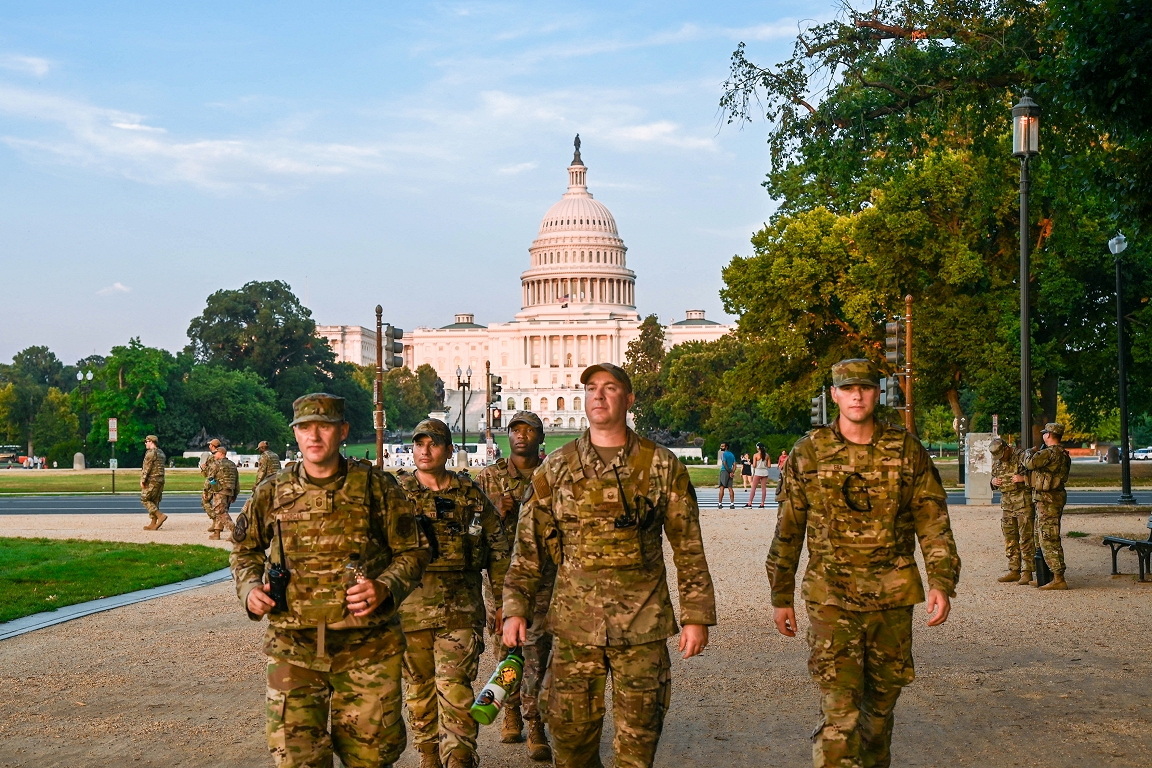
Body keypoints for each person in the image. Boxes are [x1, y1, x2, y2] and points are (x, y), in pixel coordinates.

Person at [503, 362, 717, 768]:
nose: (598, 395)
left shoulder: (661, 465)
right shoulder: (558, 467)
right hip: (574, 626)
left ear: (629, 398)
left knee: (639, 741)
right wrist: (515, 607)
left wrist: (696, 617)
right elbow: (527, 546)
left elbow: (688, 546)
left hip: (642, 624)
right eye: (592, 389)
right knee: (569, 741)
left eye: (610, 388)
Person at [765, 358, 961, 768]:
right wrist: (780, 593)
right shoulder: (809, 452)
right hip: (831, 598)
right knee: (840, 712)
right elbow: (788, 529)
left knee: (878, 715)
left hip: (891, 598)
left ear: (878, 393)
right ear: (833, 394)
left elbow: (932, 520)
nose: (857, 395)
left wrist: (941, 581)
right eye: (848, 388)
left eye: (866, 388)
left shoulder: (905, 450)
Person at [230, 393, 431, 768]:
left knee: (370, 758)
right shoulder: (272, 491)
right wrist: (249, 590)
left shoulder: (376, 488)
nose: (314, 436)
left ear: (342, 431)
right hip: (294, 647)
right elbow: (244, 551)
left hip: (367, 648)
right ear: (296, 433)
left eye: (324, 426)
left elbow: (415, 550)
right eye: (305, 428)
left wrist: (385, 586)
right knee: (296, 758)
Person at [396, 418, 512, 768]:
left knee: (456, 690)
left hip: (459, 611)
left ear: (448, 450)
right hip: (410, 612)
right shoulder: (396, 496)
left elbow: (498, 550)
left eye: (433, 443)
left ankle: (459, 758)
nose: (425, 450)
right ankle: (429, 755)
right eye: (419, 443)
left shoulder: (469, 495)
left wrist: (505, 604)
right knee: (419, 692)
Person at [475, 411, 553, 761]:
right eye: (515, 429)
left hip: (543, 582)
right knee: (506, 651)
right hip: (501, 582)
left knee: (537, 653)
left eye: (529, 430)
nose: (521, 435)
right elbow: (470, 536)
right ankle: (509, 712)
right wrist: (498, 513)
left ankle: (534, 721)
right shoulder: (488, 478)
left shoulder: (552, 477)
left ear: (540, 436)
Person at [1019, 423, 1072, 590]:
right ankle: (1046, 576)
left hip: (1048, 500)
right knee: (1040, 536)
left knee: (1048, 537)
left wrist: (1028, 451)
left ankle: (1058, 577)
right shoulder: (1062, 453)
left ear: (1048, 435)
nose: (1043, 435)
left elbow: (1029, 463)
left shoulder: (1049, 453)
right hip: (1049, 498)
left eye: (1044, 433)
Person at [990, 437, 1034, 584]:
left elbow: (1037, 476)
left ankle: (1027, 571)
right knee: (1010, 538)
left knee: (1026, 538)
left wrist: (1023, 479)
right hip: (1007, 505)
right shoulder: (997, 461)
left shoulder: (1023, 456)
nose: (1001, 459)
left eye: (1002, 455)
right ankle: (1014, 569)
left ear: (1007, 448)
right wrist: (993, 482)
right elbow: (994, 477)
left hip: (1023, 503)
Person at [206, 444, 239, 540]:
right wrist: (235, 494)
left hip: (220, 491)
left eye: (216, 453)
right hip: (230, 492)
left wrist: (206, 491)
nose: (214, 455)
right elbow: (236, 480)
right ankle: (217, 533)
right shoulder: (232, 464)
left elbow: (210, 478)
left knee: (219, 512)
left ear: (221, 453)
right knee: (223, 512)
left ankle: (235, 530)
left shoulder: (216, 464)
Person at [140, 435, 168, 530]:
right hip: (160, 480)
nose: (145, 443)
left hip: (152, 480)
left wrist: (143, 480)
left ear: (151, 441)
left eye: (146, 441)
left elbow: (147, 468)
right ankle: (153, 523)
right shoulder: (161, 453)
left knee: (145, 499)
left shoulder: (150, 453)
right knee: (154, 501)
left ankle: (160, 516)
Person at [199, 438, 221, 529]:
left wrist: (205, 489)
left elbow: (210, 474)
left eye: (210, 445)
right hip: (221, 482)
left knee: (205, 501)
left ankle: (216, 521)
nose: (209, 446)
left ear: (212, 446)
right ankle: (218, 523)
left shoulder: (212, 458)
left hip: (213, 483)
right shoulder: (220, 455)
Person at [746, 443, 772, 509]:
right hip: (765, 472)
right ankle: (762, 503)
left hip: (758, 472)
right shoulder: (767, 455)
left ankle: (750, 503)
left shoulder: (756, 455)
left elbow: (754, 465)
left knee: (753, 488)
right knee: (763, 488)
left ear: (758, 448)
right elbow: (769, 466)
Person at [717, 442, 736, 509]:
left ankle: (720, 503)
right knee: (730, 487)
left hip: (724, 471)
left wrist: (729, 472)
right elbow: (734, 465)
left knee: (722, 487)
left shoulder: (724, 454)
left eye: (722, 446)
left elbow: (724, 463)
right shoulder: (732, 454)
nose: (721, 447)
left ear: (726, 447)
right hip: (730, 471)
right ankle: (732, 503)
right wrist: (732, 472)